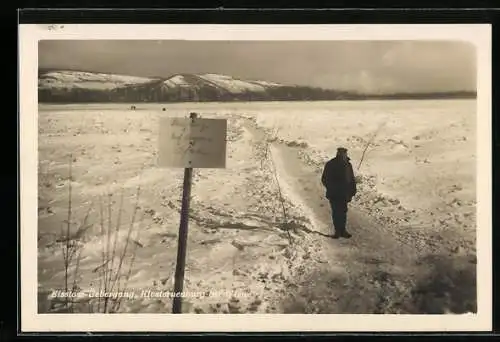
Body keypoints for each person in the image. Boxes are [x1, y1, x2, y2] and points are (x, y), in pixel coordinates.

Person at [321, 147, 357, 239]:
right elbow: (324, 179)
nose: (343, 155)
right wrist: (332, 188)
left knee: (343, 212)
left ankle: (343, 230)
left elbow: (351, 179)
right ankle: (337, 231)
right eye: (341, 153)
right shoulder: (331, 164)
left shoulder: (348, 165)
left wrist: (353, 190)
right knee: (336, 212)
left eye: (344, 153)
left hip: (344, 193)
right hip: (334, 194)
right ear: (338, 154)